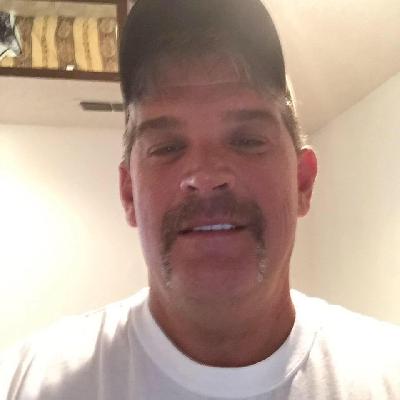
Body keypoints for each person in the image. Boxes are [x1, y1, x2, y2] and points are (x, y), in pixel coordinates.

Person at [1, 0, 399, 399]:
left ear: (302, 182)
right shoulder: (26, 383)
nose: (206, 177)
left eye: (247, 140)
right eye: (167, 147)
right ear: (129, 194)